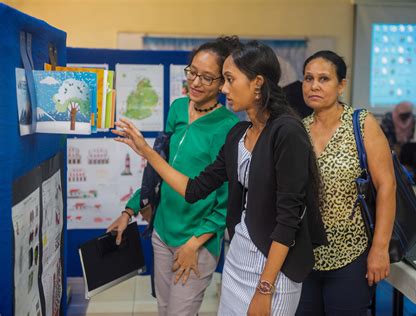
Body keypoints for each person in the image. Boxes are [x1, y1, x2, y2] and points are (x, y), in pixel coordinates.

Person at [113, 41, 327, 315]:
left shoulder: (286, 132)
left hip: (272, 271)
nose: (224, 89)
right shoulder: (239, 133)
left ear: (257, 83)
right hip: (238, 260)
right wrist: (145, 151)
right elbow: (194, 189)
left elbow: (289, 220)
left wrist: (265, 289)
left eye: (228, 80)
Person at [107, 36, 241, 315]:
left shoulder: (229, 128)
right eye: (192, 72)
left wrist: (194, 245)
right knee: (164, 309)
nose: (195, 82)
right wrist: (130, 210)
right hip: (162, 232)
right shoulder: (178, 108)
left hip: (195, 240)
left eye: (207, 77)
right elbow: (159, 170)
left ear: (222, 83)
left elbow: (226, 201)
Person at [296, 50, 396, 315]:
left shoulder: (361, 124)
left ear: (341, 85)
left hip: (352, 255)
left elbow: (387, 186)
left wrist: (379, 249)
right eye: (308, 78)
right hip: (305, 256)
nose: (314, 85)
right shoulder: (298, 129)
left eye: (324, 79)